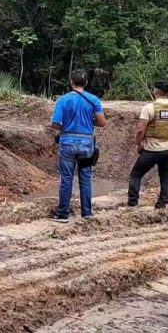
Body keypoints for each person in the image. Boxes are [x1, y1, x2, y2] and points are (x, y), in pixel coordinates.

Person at [50, 69, 106, 223]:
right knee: (86, 178)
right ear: (86, 82)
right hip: (86, 143)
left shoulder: (63, 100)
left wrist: (67, 126)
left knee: (66, 178)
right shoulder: (93, 99)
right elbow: (102, 122)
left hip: (67, 141)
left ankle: (62, 214)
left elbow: (55, 124)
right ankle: (87, 213)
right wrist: (89, 121)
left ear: (71, 82)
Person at [127, 80, 168, 209]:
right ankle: (162, 204)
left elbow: (141, 130)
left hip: (151, 149)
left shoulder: (149, 108)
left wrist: (138, 143)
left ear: (156, 91)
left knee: (136, 174)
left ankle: (132, 204)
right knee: (165, 177)